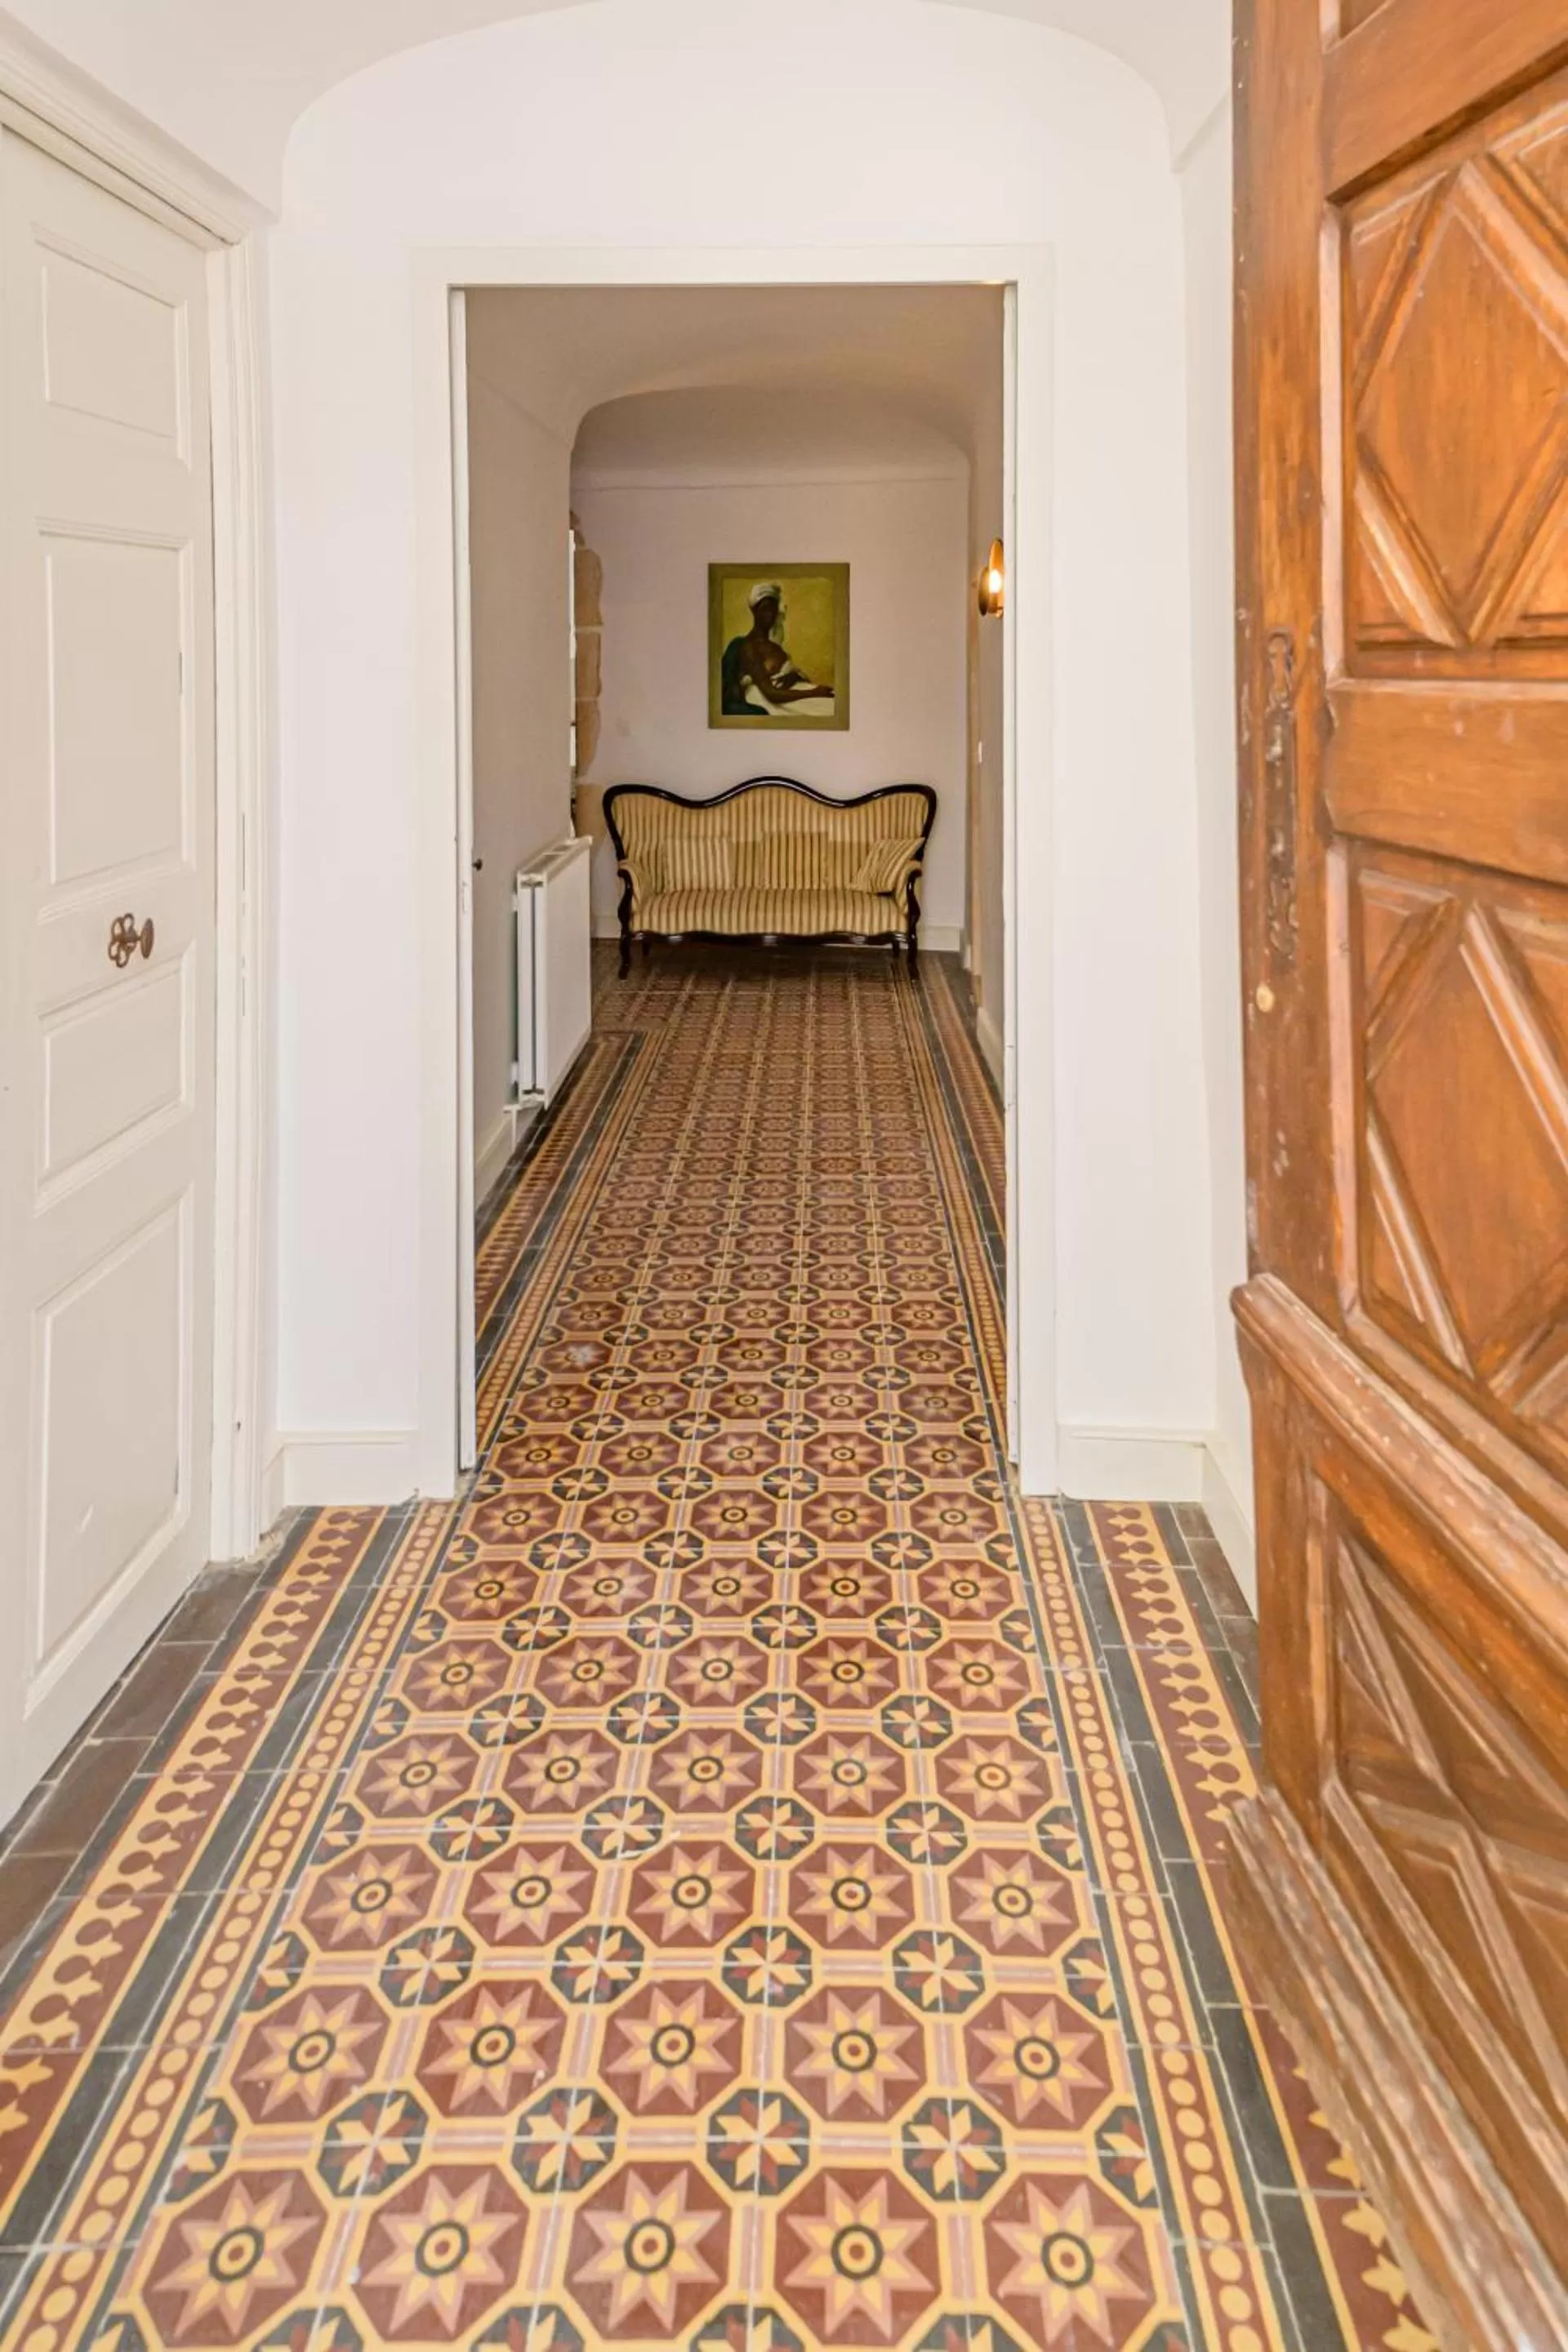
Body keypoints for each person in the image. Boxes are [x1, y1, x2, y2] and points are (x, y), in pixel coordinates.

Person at [719, 581, 835, 717]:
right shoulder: (749, 648)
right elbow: (771, 694)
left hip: (794, 692)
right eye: (765, 609)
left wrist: (792, 677)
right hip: (776, 702)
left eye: (773, 609)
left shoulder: (774, 646)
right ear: (755, 612)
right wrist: (814, 693)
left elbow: (785, 675)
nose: (770, 614)